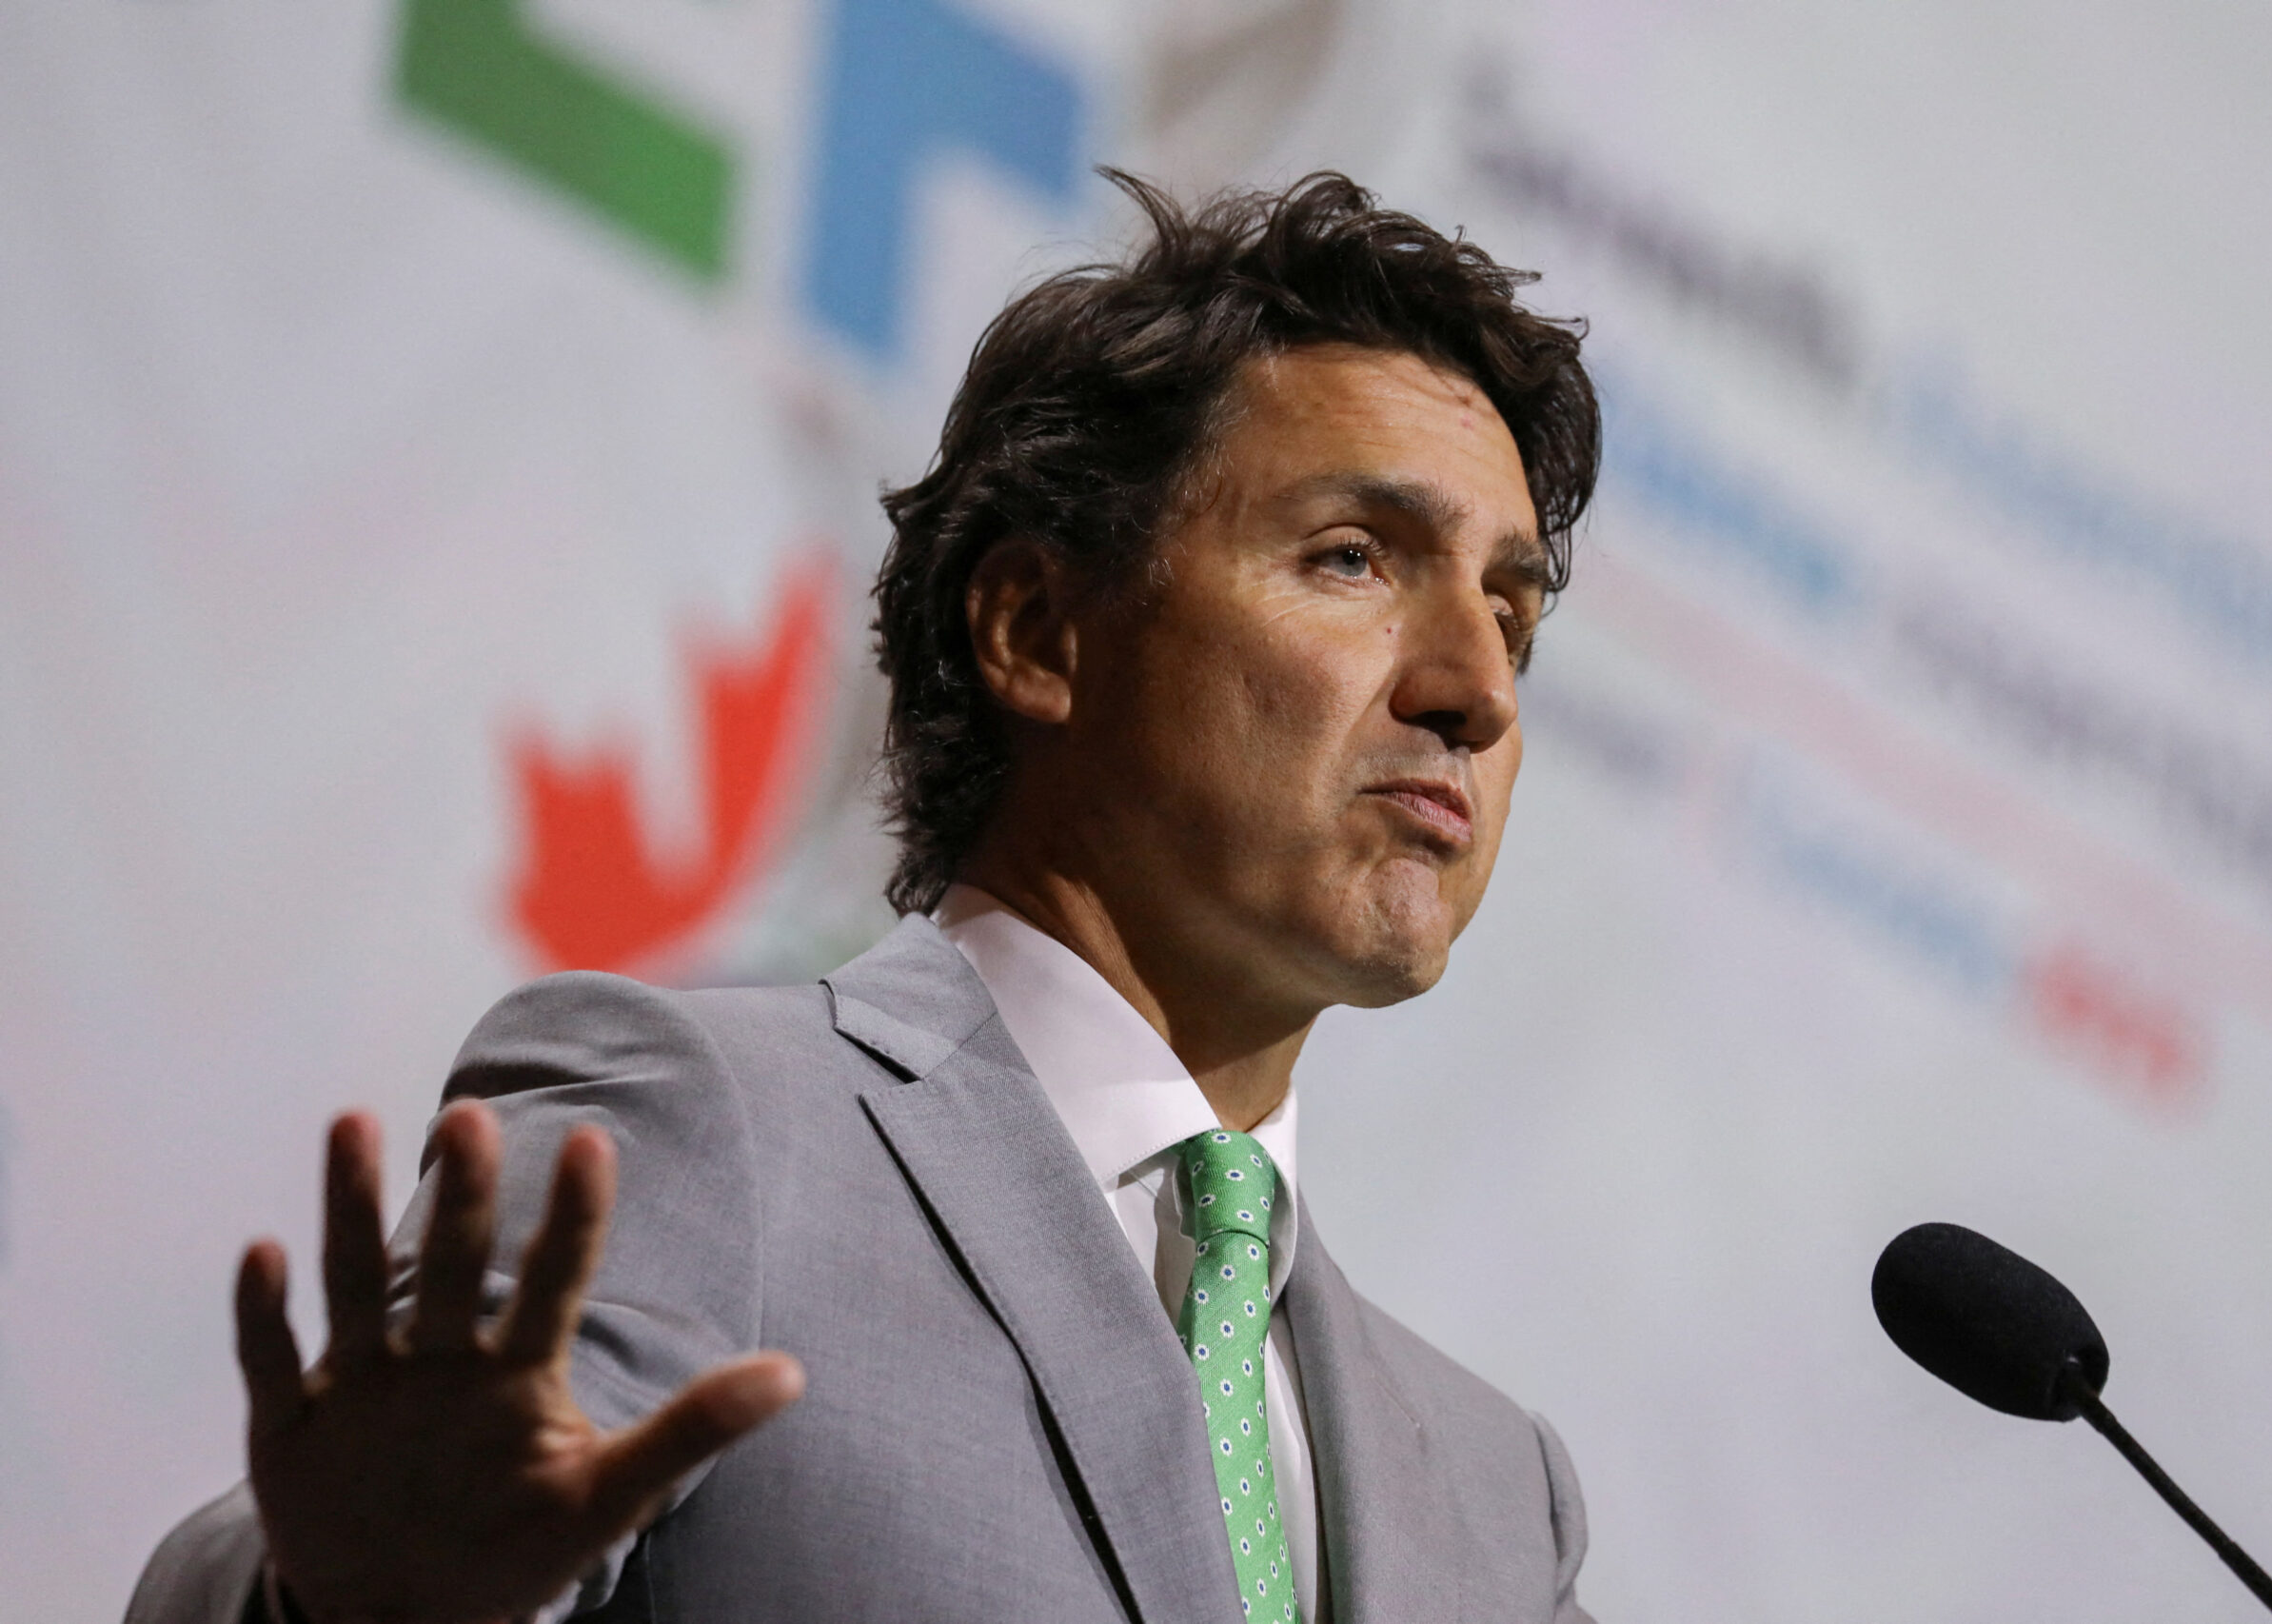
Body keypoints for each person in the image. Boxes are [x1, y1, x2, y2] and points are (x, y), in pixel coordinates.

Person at [128, 170, 1604, 1624]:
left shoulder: (1496, 1497)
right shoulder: (704, 1124)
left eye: (1511, 616)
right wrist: (331, 1607)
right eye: (1352, 558)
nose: (1474, 689)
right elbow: (350, 1549)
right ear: (1036, 629)